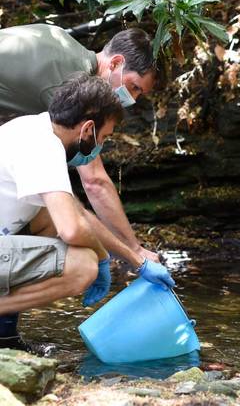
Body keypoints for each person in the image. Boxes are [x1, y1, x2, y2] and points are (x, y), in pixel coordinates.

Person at [0, 74, 175, 350]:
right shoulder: (43, 147)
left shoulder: (34, 128)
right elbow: (72, 228)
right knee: (83, 266)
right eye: (103, 137)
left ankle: (4, 336)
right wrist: (102, 259)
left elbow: (77, 213)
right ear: (87, 129)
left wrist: (136, 259)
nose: (100, 147)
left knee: (44, 217)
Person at [0, 23, 158, 263]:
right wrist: (135, 251)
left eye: (140, 94)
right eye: (134, 87)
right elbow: (94, 181)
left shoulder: (66, 46)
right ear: (115, 63)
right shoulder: (68, 84)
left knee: (47, 214)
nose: (133, 99)